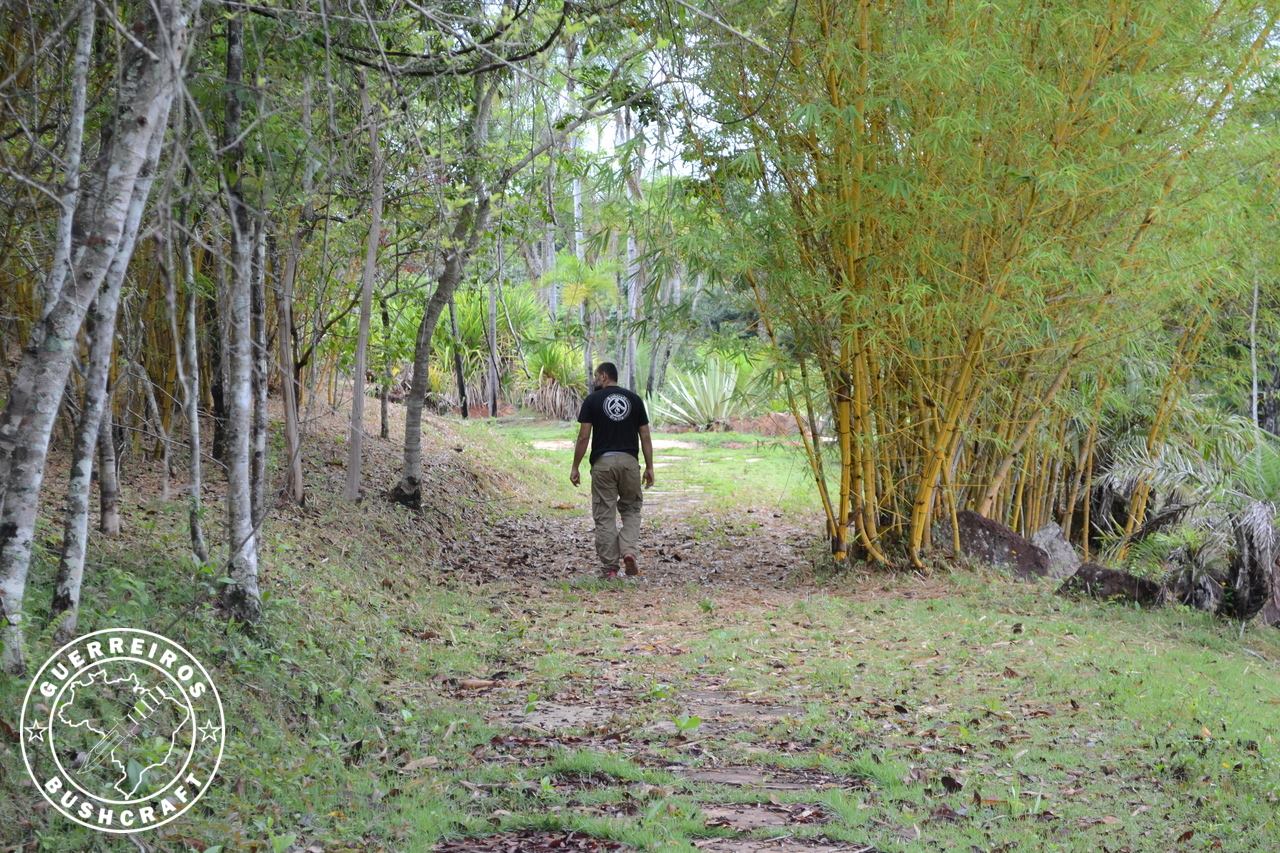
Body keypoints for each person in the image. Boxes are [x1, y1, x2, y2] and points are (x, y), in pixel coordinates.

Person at [570, 362, 655, 579]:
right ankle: (628, 551)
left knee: (605, 515)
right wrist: (649, 467)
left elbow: (584, 436)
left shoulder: (592, 400)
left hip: (603, 464)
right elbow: (645, 436)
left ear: (604, 376)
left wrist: (576, 466)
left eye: (596, 376)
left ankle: (610, 568)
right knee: (632, 510)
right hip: (629, 463)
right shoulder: (634, 400)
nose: (595, 380)